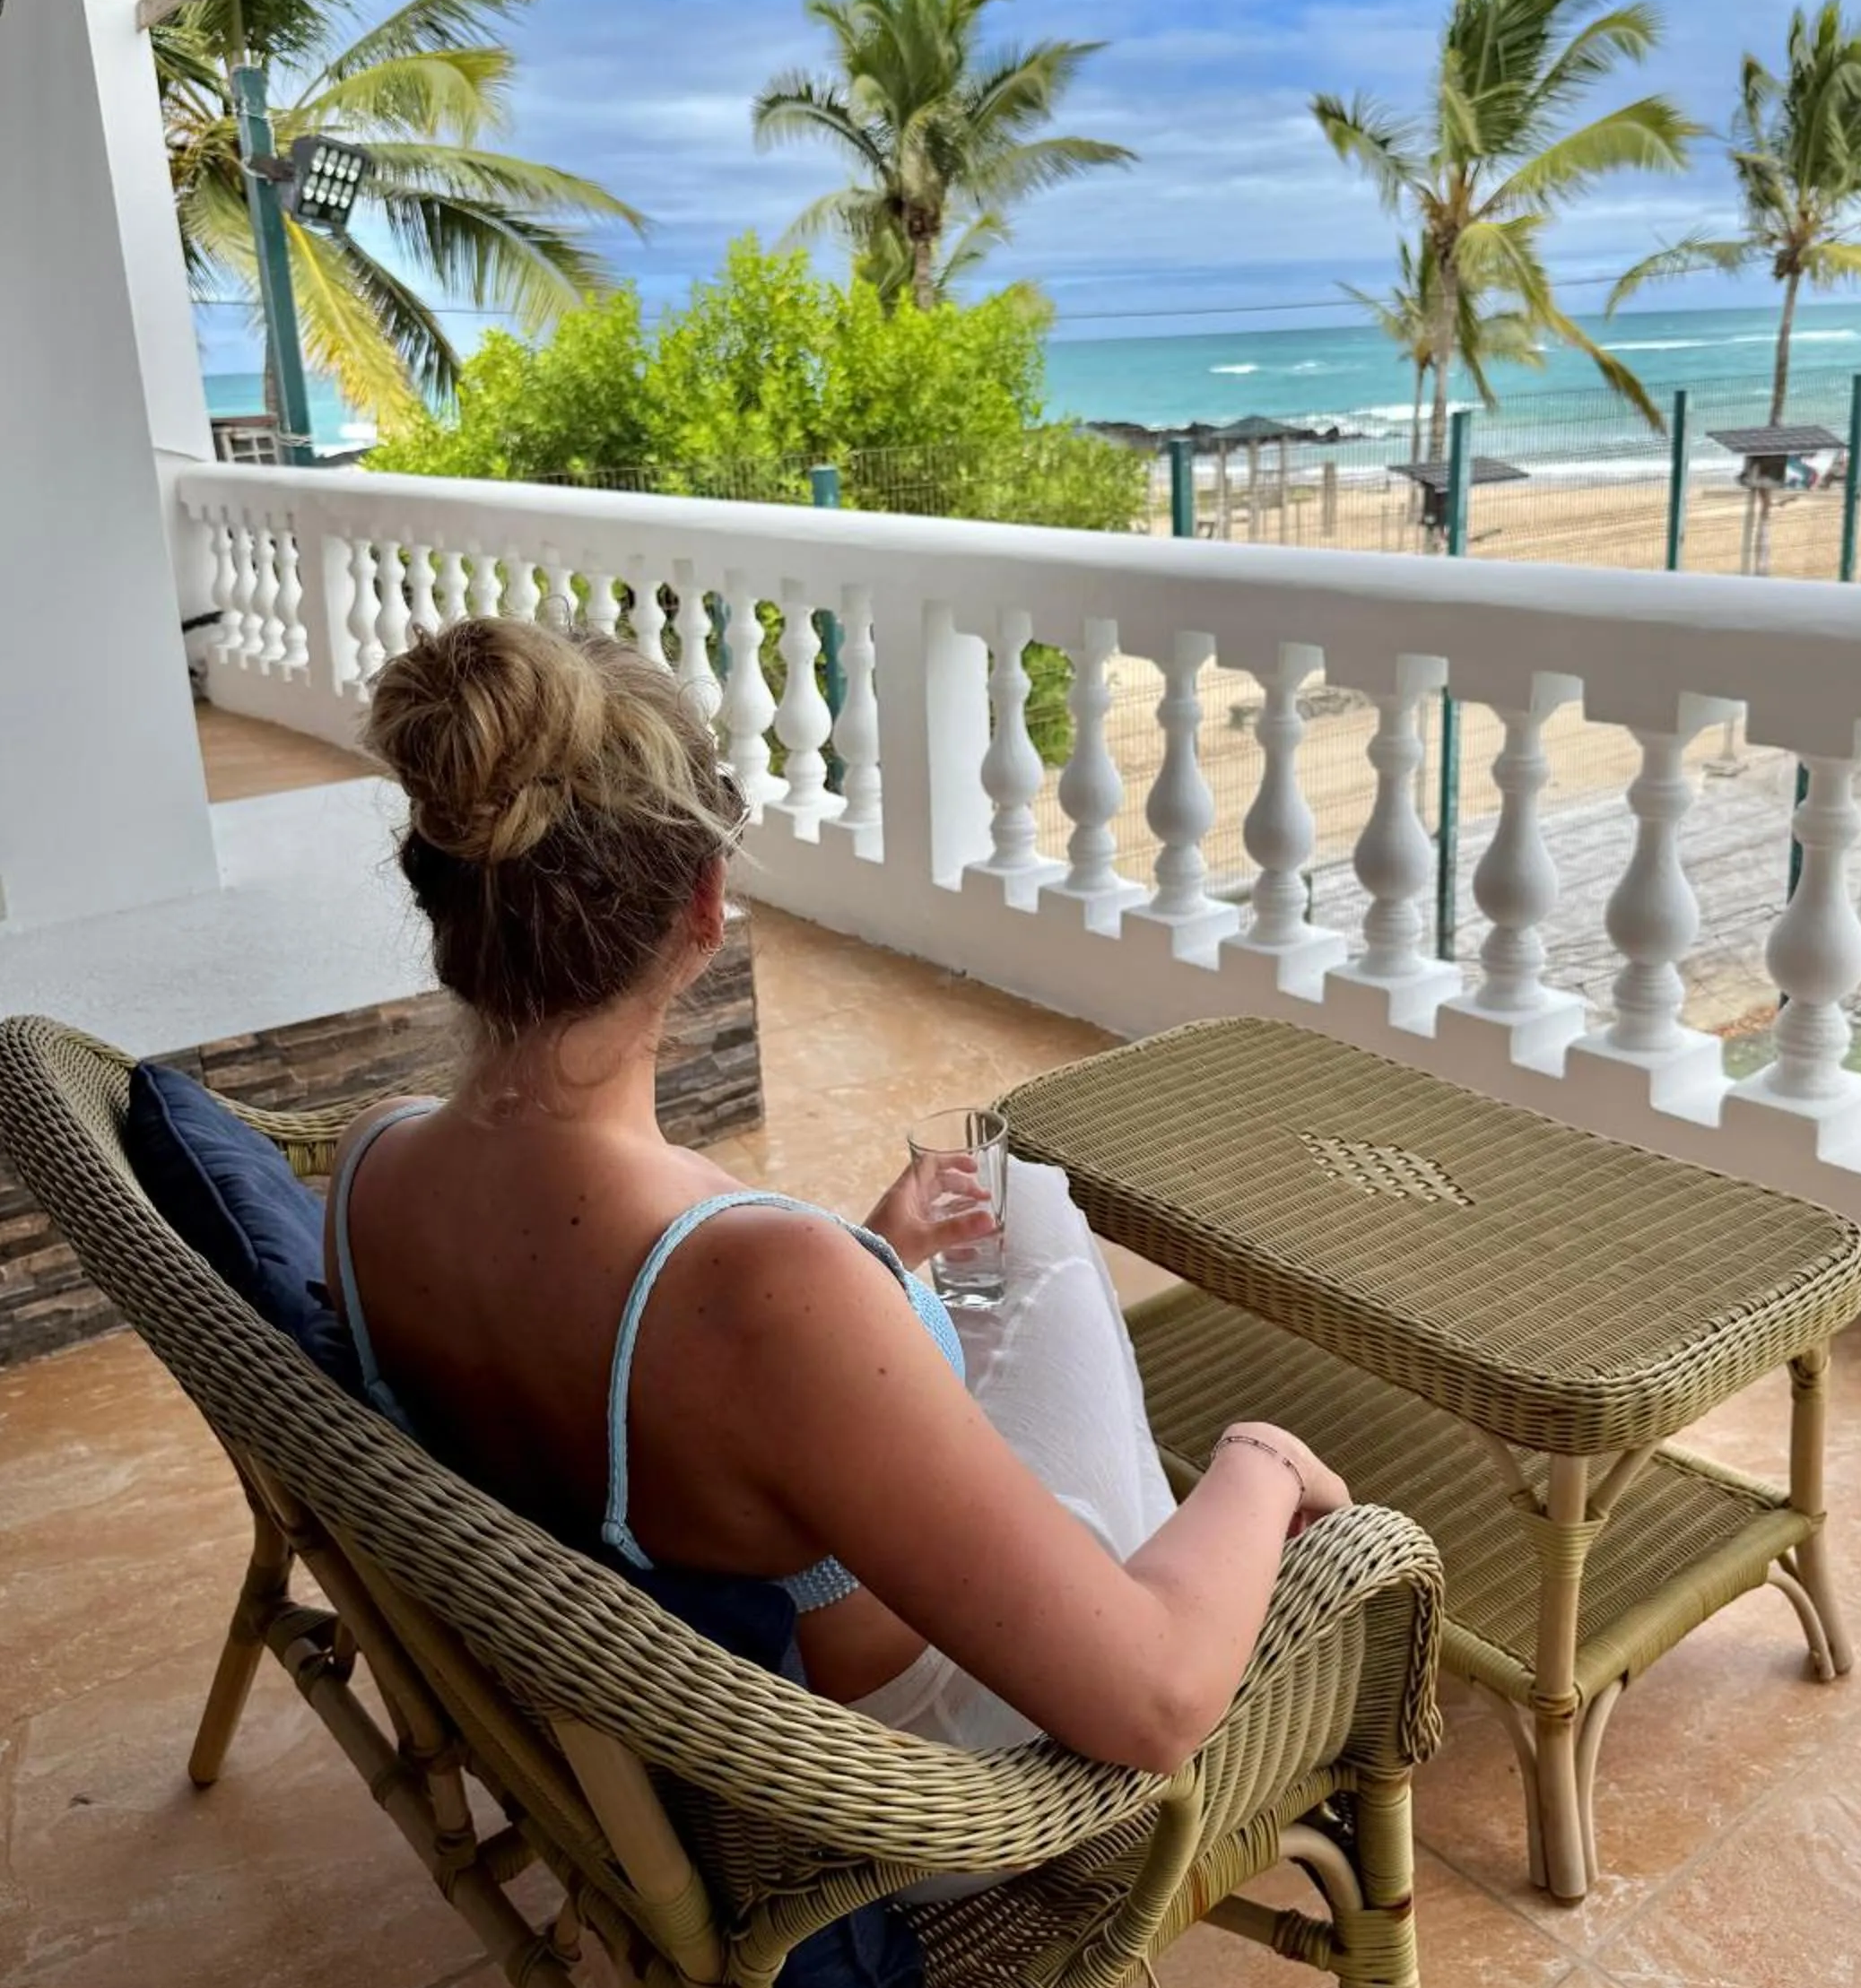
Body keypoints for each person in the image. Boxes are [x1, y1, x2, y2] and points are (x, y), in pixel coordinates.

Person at [327, 616, 1350, 1777]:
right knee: (1034, 1208)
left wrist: (870, 1259)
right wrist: (1260, 1460)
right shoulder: (762, 1287)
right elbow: (1155, 1707)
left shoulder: (372, 1173)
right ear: (704, 907)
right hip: (909, 1762)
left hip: (671, 1665)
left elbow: (684, 1376)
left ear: (444, 911)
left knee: (1004, 1193)